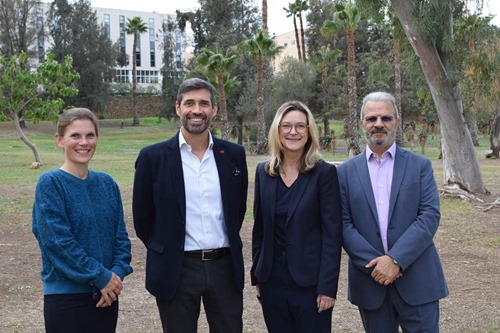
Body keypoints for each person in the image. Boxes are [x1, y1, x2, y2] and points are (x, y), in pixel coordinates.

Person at [132, 78, 248, 333]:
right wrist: (167, 247)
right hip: (177, 269)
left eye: (204, 103)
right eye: (190, 103)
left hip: (224, 268)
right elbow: (143, 219)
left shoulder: (234, 156)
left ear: (214, 110)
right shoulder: (152, 158)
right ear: (178, 108)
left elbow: (236, 211)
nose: (197, 110)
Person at [337, 92, 449, 333]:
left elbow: (429, 216)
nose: (379, 124)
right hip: (371, 282)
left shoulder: (420, 166)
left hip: (418, 280)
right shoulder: (344, 173)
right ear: (361, 123)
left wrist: (396, 260)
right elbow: (343, 224)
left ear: (397, 121)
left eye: (386, 117)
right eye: (372, 118)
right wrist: (378, 266)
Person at [32, 108, 133, 333]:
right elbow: (57, 243)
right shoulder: (50, 184)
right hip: (66, 300)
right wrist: (101, 277)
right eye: (75, 136)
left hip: (106, 296)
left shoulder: (107, 184)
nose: (84, 142)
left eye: (90, 135)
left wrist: (116, 275)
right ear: (59, 140)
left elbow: (121, 239)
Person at [251, 100, 343, 333]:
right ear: (277, 130)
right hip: (272, 282)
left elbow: (332, 235)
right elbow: (259, 230)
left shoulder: (324, 173)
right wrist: (258, 275)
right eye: (286, 126)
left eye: (301, 126)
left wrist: (327, 287)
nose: (293, 132)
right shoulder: (264, 173)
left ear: (309, 131)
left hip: (311, 285)